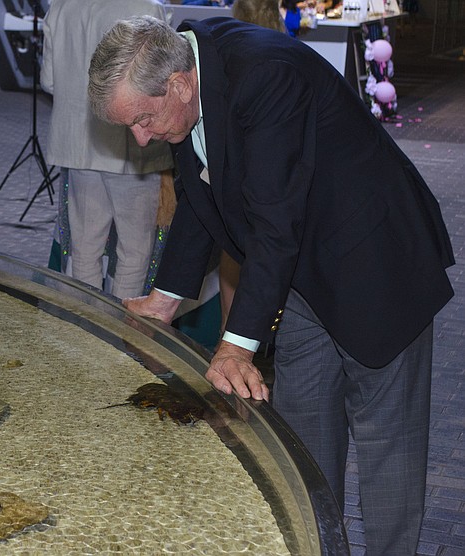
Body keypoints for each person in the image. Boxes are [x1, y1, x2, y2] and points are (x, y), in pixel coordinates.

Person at [88, 15, 454, 555]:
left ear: (180, 84)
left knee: (387, 455)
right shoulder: (186, 73)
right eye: (131, 127)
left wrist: (237, 345)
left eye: (142, 119)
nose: (140, 138)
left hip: (378, 266)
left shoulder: (265, 76)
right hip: (300, 280)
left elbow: (275, 224)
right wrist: (165, 300)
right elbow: (199, 192)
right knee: (303, 445)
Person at [40, 0, 174, 299]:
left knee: (84, 246)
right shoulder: (148, 8)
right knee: (134, 250)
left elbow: (48, 81)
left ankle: (85, 329)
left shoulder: (62, 6)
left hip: (77, 141)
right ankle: (122, 334)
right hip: (129, 144)